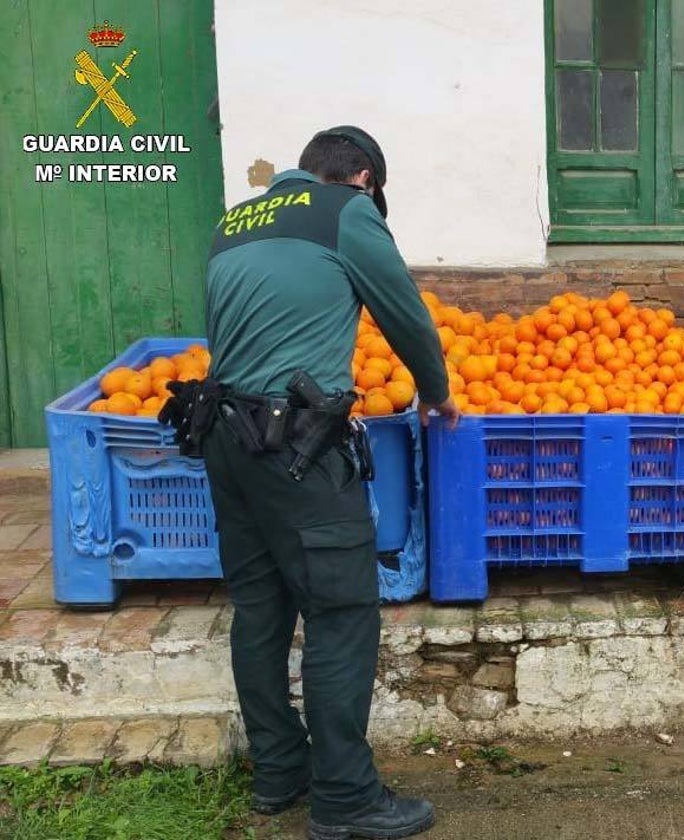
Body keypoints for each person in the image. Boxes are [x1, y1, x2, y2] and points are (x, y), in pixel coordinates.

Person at [199, 126, 459, 839]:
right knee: (342, 613)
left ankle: (280, 773)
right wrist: (435, 392)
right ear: (365, 179)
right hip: (298, 448)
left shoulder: (233, 223)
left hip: (224, 435)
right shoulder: (347, 212)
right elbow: (403, 311)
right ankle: (346, 798)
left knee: (259, 608)